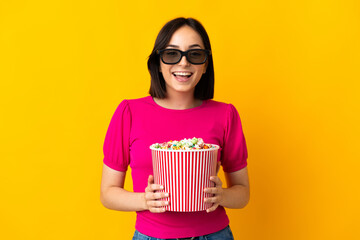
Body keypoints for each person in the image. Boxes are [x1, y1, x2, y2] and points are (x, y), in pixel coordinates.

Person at [100, 17, 250, 240]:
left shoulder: (226, 115)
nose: (183, 63)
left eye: (195, 54)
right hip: (151, 235)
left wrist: (222, 195)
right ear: (158, 62)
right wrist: (144, 200)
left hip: (214, 234)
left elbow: (242, 193)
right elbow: (108, 193)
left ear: (206, 64)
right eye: (172, 54)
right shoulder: (129, 112)